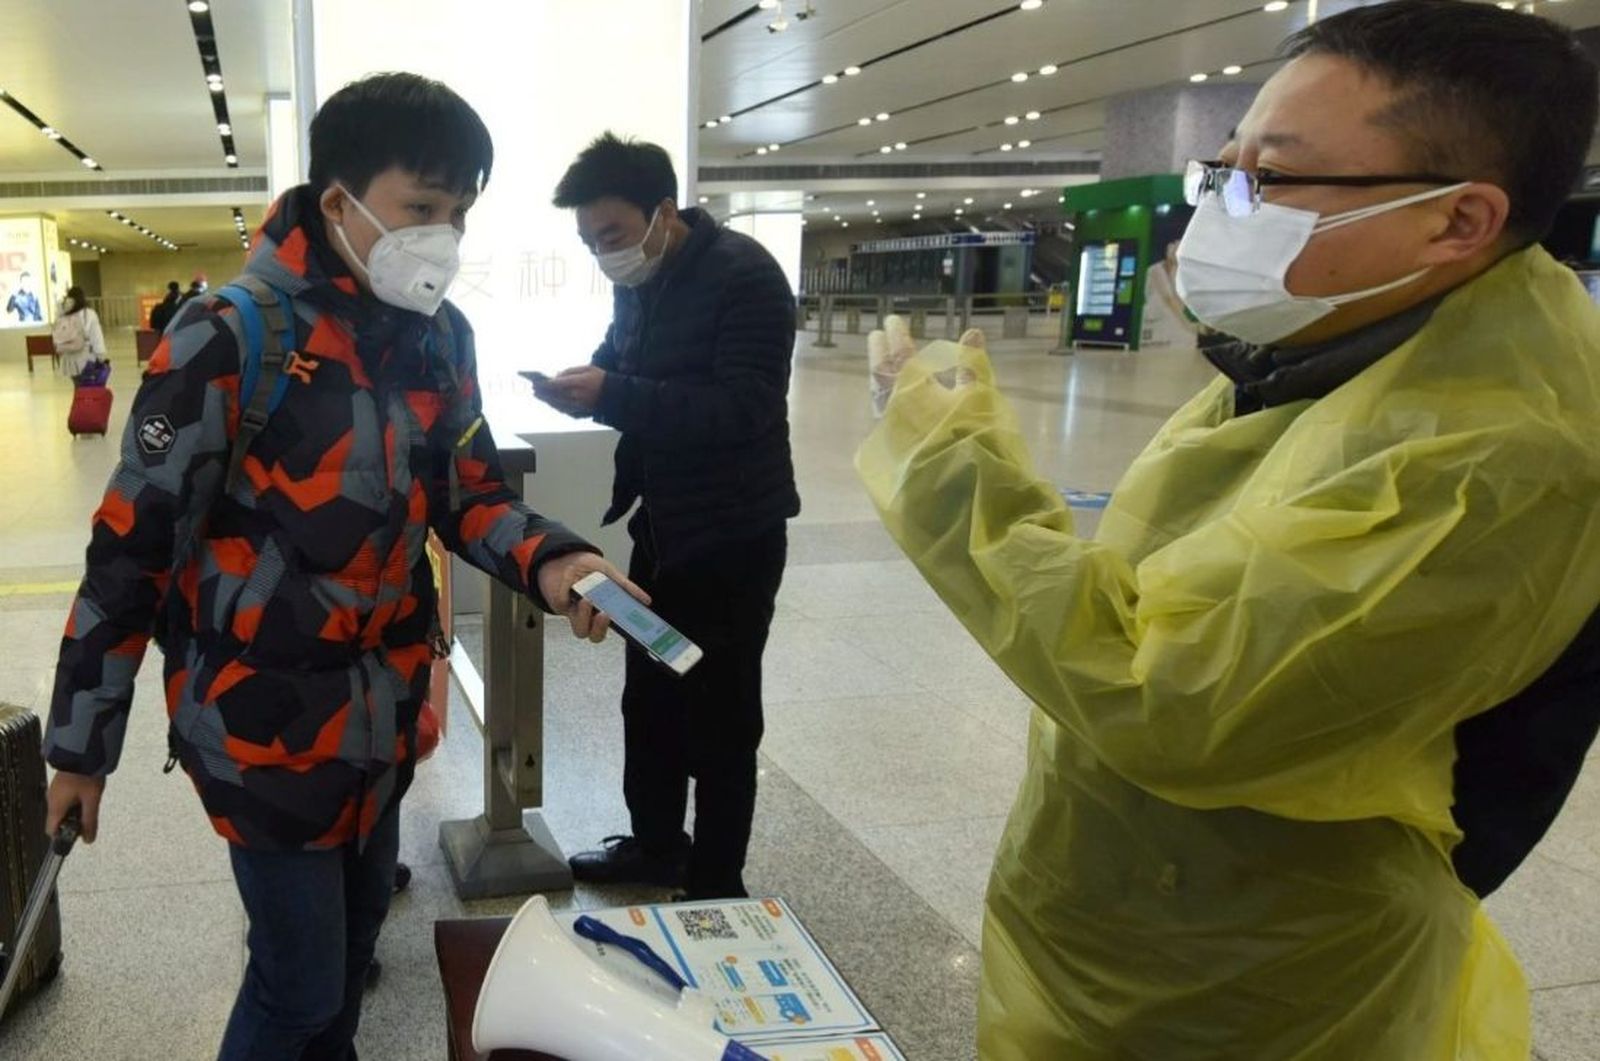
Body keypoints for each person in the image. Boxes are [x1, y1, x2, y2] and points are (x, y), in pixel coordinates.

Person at [857, 2, 1600, 1058]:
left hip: (1266, 973)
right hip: (1153, 908)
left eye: (1275, 176)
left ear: (1457, 219)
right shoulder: (1343, 337)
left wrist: (948, 463)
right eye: (1225, 168)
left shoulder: (1496, 452)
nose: (1224, 207)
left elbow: (1178, 695)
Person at [43, 72, 643, 1059]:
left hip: (381, 719)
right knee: (297, 983)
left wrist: (560, 561)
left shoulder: (441, 340)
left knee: (357, 944)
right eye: (421, 208)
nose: (443, 235)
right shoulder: (229, 338)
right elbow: (129, 553)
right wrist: (78, 746)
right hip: (261, 731)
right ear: (339, 201)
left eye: (459, 212)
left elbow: (472, 495)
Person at [536, 133, 799, 900]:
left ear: (661, 211)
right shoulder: (641, 282)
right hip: (660, 530)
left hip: (733, 535)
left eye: (610, 236)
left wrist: (612, 392)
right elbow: (623, 357)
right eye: (588, 242)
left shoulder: (745, 276)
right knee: (650, 698)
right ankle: (655, 844)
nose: (602, 254)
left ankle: (717, 878)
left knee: (719, 715)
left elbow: (744, 407)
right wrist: (579, 384)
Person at [52, 285, 106, 379]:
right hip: (86, 357)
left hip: (69, 359)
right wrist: (100, 354)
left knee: (77, 387)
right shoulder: (89, 314)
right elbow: (96, 336)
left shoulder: (64, 314)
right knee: (86, 388)